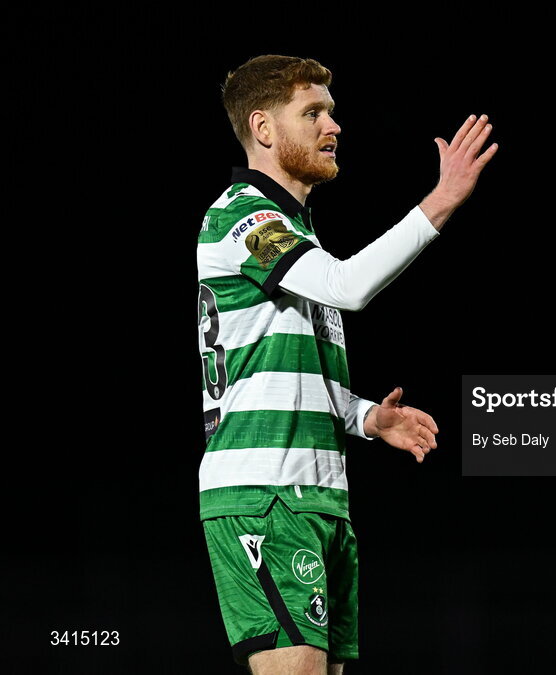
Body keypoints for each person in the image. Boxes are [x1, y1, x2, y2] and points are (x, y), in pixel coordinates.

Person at [196, 54, 497, 674]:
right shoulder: (241, 218)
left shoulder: (296, 234)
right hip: (265, 495)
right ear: (263, 128)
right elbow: (350, 286)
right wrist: (439, 202)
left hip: (319, 495)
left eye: (331, 112)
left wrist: (365, 420)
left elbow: (295, 373)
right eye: (312, 113)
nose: (333, 125)